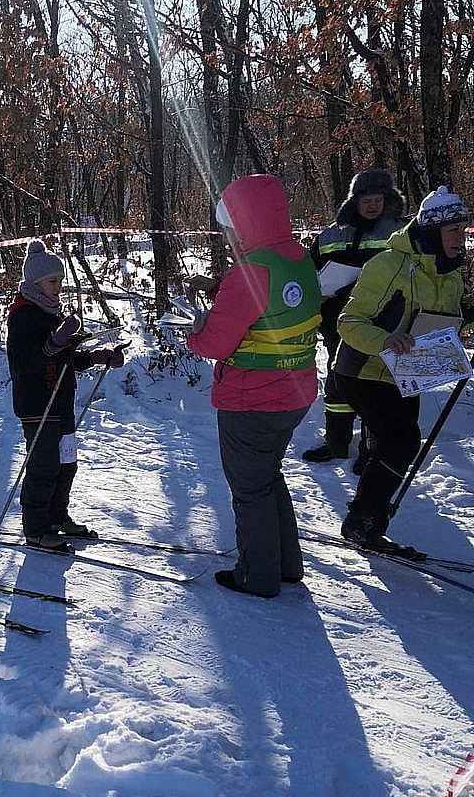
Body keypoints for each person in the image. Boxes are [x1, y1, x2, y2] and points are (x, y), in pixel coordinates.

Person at [186, 174, 320, 598]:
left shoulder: (249, 272)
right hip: (293, 392)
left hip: (252, 399)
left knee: (249, 489)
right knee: (266, 477)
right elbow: (271, 311)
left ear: (243, 223)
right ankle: (286, 565)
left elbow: (215, 343)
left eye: (228, 227)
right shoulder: (298, 258)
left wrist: (196, 332)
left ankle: (258, 576)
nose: (227, 236)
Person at [334, 185, 474, 555]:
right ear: (432, 232)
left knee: (396, 444)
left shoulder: (450, 272)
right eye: (453, 231)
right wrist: (385, 340)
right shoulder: (389, 265)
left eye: (463, 230)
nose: (460, 239)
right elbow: (348, 322)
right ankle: (362, 521)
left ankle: (369, 517)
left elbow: (444, 320)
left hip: (407, 373)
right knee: (402, 441)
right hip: (362, 369)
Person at [6, 239, 125, 549]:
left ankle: (57, 517)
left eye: (60, 281)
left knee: (66, 464)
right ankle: (36, 528)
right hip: (38, 405)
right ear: (35, 283)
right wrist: (51, 346)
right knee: (43, 466)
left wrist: (98, 356)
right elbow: (21, 363)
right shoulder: (24, 314)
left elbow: (64, 358)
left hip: (61, 403)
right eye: (52, 282)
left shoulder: (52, 313)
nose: (58, 287)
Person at [302, 168, 408, 468]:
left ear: (388, 200)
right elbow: (310, 271)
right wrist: (317, 292)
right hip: (337, 322)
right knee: (338, 382)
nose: (372, 205)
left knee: (373, 388)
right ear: (354, 201)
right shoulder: (333, 233)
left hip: (384, 325)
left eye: (378, 199)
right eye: (366, 200)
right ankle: (336, 444)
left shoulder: (401, 233)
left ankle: (371, 452)